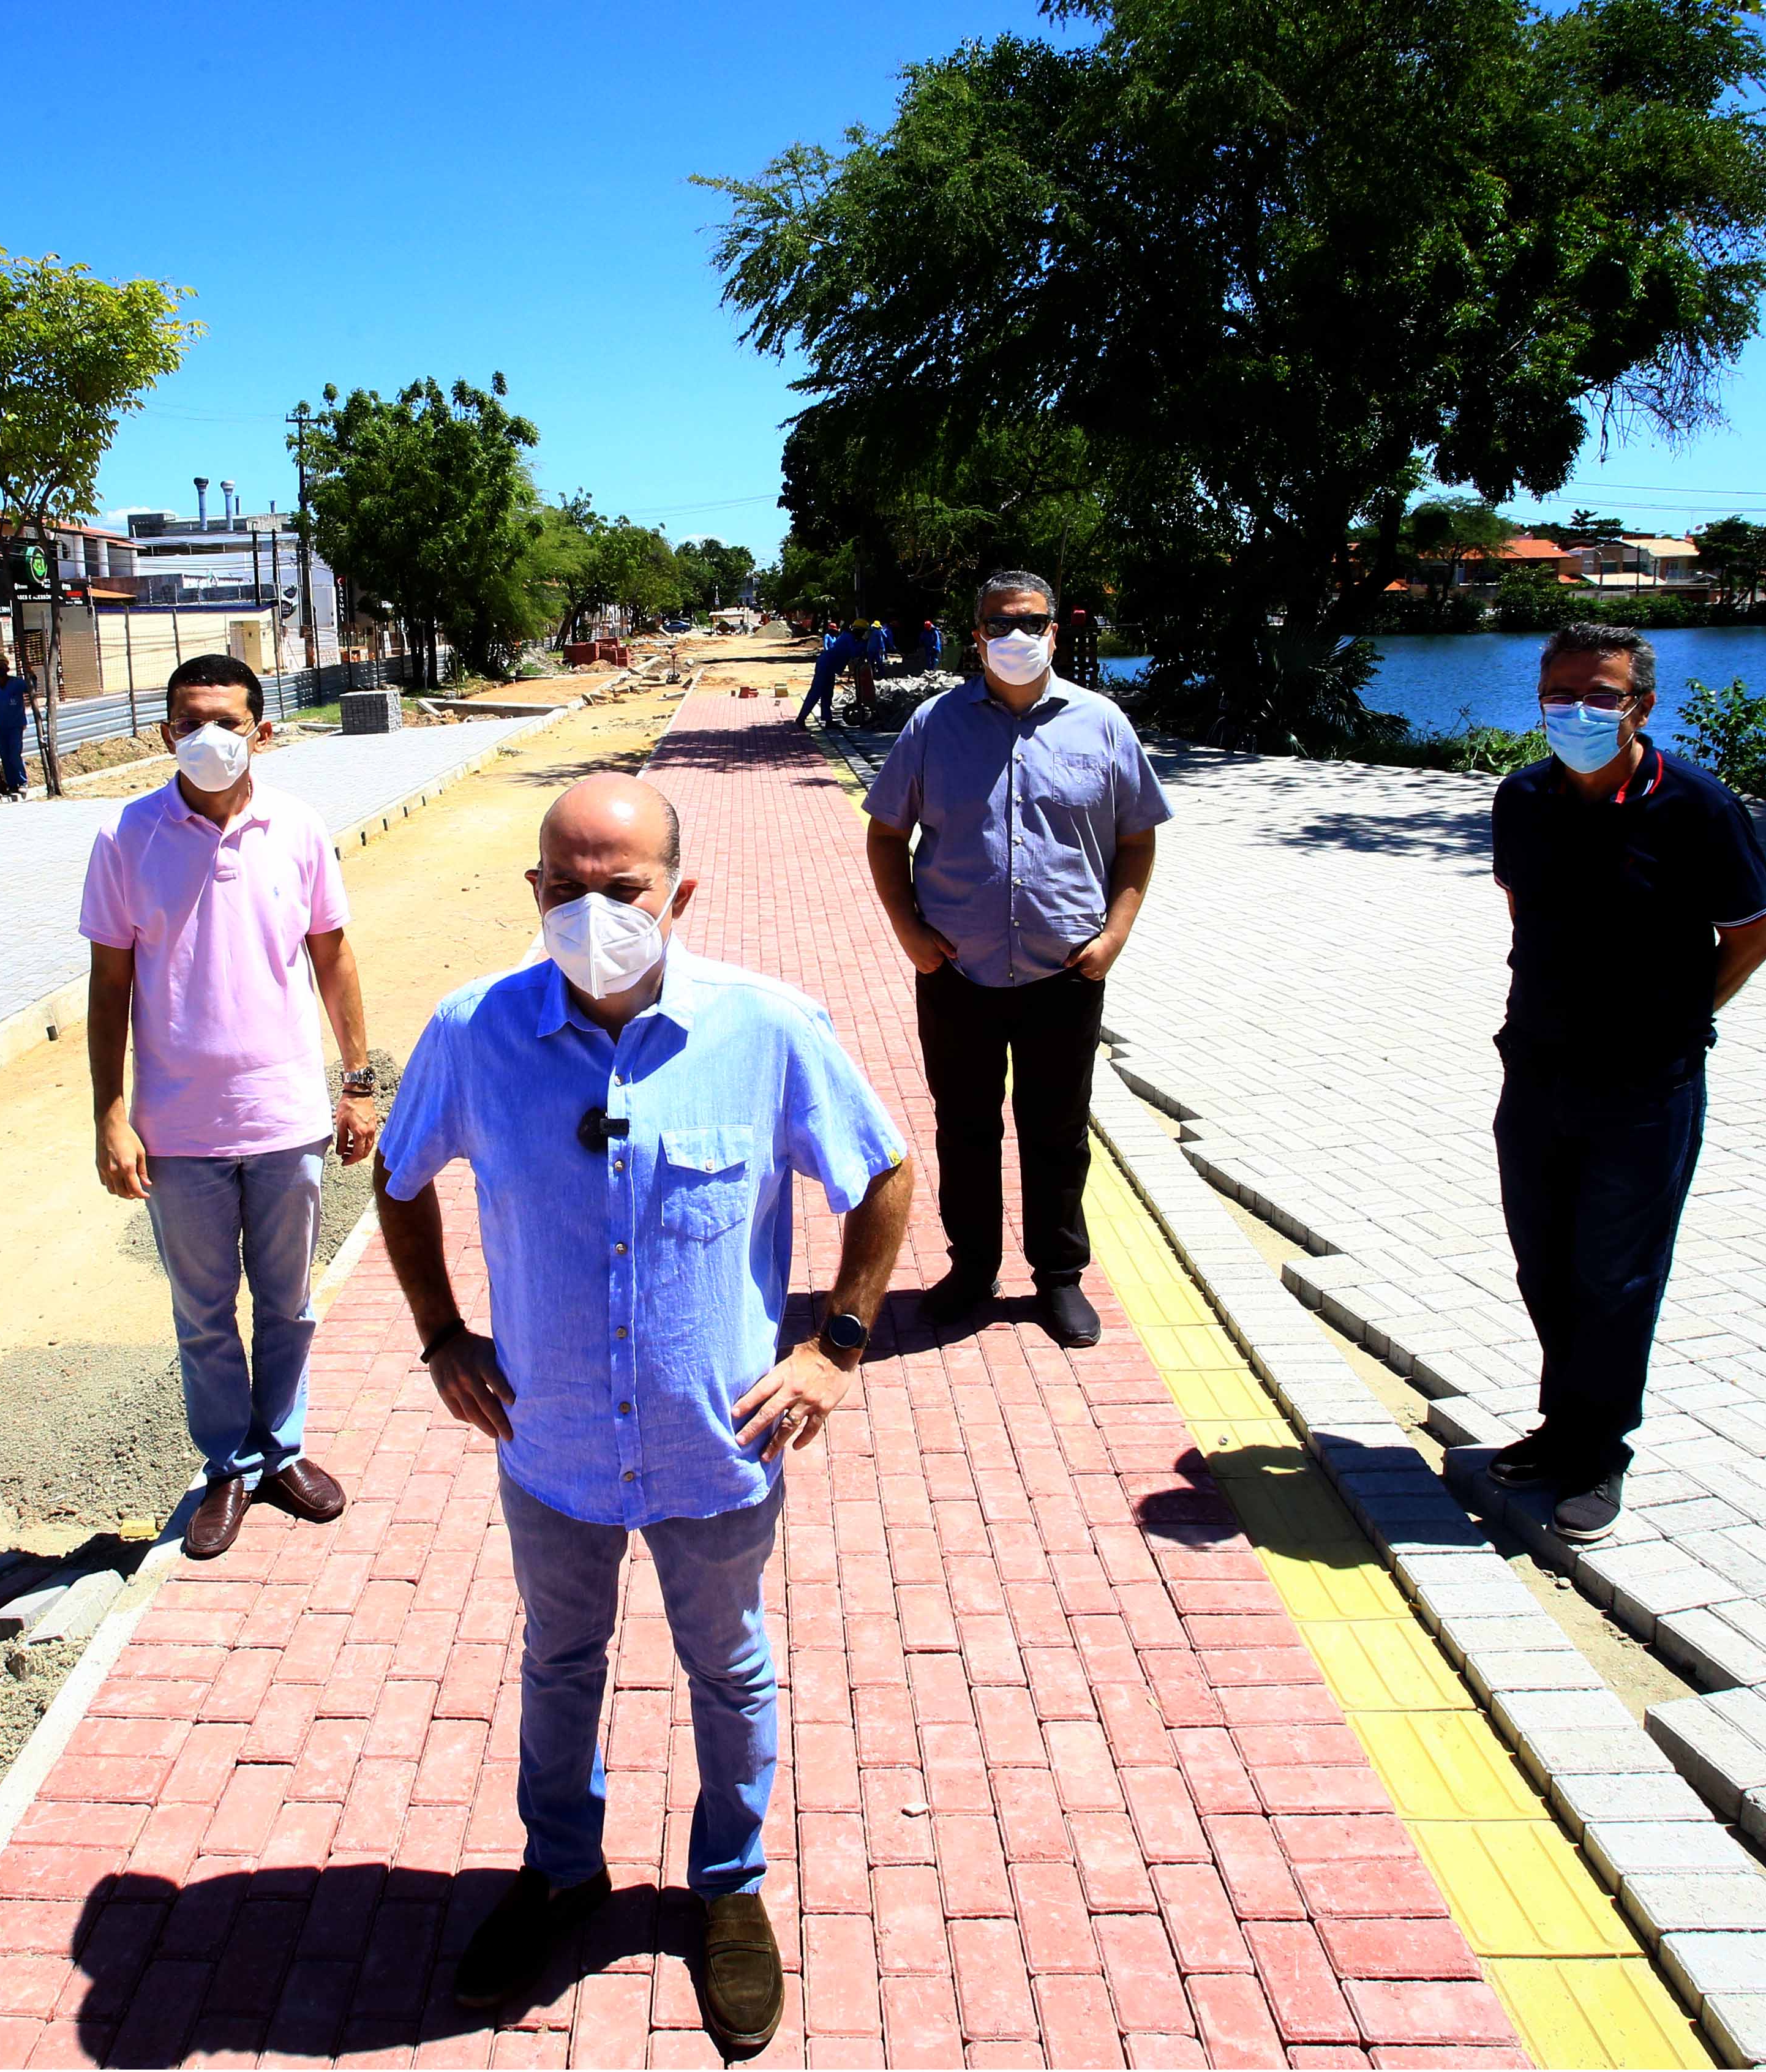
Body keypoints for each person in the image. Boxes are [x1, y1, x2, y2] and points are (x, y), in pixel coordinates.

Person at [377, 775, 913, 2054]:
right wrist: (444, 1335)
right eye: (564, 888)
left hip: (714, 1444)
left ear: (678, 893)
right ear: (534, 891)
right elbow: (400, 1177)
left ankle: (727, 1893)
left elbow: (883, 1171)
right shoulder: (473, 1030)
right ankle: (562, 1871)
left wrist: (836, 1346)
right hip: (551, 1443)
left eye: (620, 891)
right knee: (561, 1664)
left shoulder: (768, 1028)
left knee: (728, 1670)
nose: (590, 912)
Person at [84, 653, 379, 1561]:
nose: (209, 736)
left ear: (264, 728)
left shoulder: (297, 828)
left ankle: (281, 1450)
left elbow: (332, 956)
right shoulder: (126, 837)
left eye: (227, 719)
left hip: (286, 1115)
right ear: (165, 731)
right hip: (178, 1129)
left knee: (285, 1304)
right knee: (204, 1313)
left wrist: (358, 1082)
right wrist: (110, 1112)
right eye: (190, 719)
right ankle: (228, 1467)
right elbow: (108, 983)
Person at [1485, 624, 1766, 1544]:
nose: (1579, 709)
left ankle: (1601, 1450)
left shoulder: (1698, 806)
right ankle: (1563, 1423)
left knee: (1616, 1272)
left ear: (1641, 705)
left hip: (1647, 1083)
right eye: (1561, 691)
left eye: (1601, 693)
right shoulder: (1522, 799)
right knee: (1545, 1260)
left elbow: (1751, 938)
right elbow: (1523, 911)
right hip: (1535, 1066)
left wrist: (1680, 1019)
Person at [862, 570, 1169, 1349]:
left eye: (1032, 622)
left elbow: (1137, 835)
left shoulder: (1101, 724)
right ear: (977, 634)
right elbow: (886, 834)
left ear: (1057, 631)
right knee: (964, 1129)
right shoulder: (933, 725)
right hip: (956, 975)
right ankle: (972, 1270)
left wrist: (1117, 934)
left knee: (1057, 1131)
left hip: (1065, 974)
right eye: (1001, 623)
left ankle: (1059, 1279)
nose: (1017, 636)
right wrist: (911, 936)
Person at [0, 648, 34, 801]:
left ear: (7, 669)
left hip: (15, 725)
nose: (1, 670)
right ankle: (12, 784)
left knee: (15, 754)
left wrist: (30, 673)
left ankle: (22, 782)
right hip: (0, 727)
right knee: (5, 756)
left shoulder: (16, 683)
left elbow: (31, 687)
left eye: (3, 667)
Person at [797, 623, 847, 727]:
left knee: (828, 694)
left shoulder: (840, 638)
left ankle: (828, 720)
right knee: (816, 693)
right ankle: (801, 718)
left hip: (830, 667)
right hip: (825, 666)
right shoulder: (847, 639)